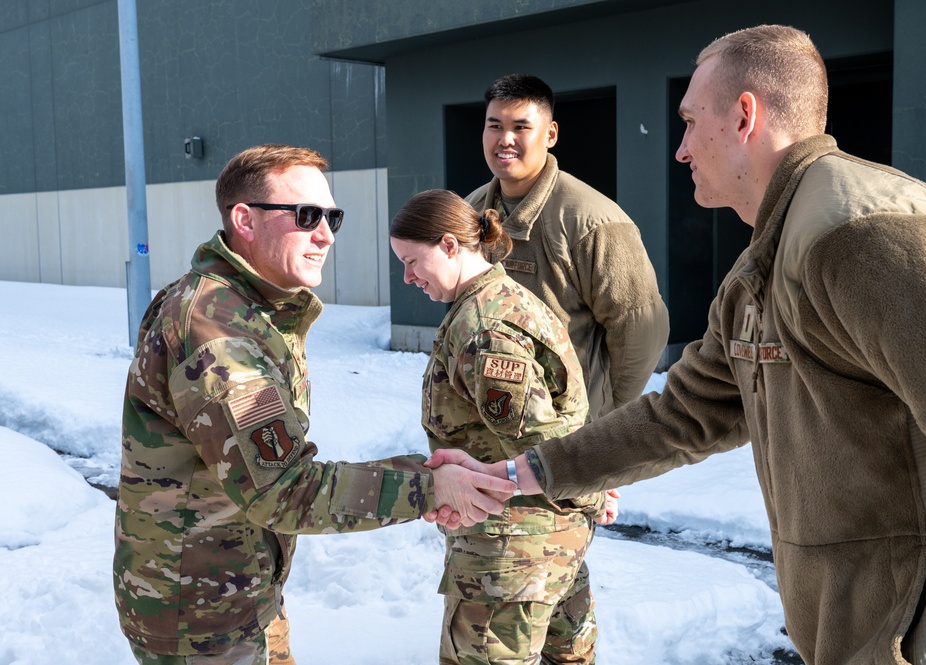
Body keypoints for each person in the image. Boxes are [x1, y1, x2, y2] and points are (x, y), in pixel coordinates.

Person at [432, 25, 926, 665]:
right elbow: (682, 415)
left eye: (690, 122)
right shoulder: (766, 262)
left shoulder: (861, 234)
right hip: (862, 626)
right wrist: (524, 473)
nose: (679, 150)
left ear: (745, 115)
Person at [113, 145, 514, 665]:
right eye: (306, 216)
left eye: (332, 217)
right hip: (200, 617)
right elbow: (283, 489)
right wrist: (429, 485)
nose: (325, 234)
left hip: (239, 590)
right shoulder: (214, 329)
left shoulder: (254, 311)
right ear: (245, 220)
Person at [390, 189, 619, 665]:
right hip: (544, 548)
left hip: (509, 560)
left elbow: (541, 443)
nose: (407, 277)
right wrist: (593, 484)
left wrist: (593, 491)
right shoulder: (506, 299)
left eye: (412, 261)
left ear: (450, 245)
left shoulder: (483, 330)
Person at [466, 73, 669, 421]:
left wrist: (603, 414)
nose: (505, 139)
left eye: (521, 127)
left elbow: (642, 329)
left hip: (567, 438)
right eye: (495, 126)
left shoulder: (593, 221)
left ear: (551, 134)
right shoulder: (469, 211)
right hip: (489, 427)